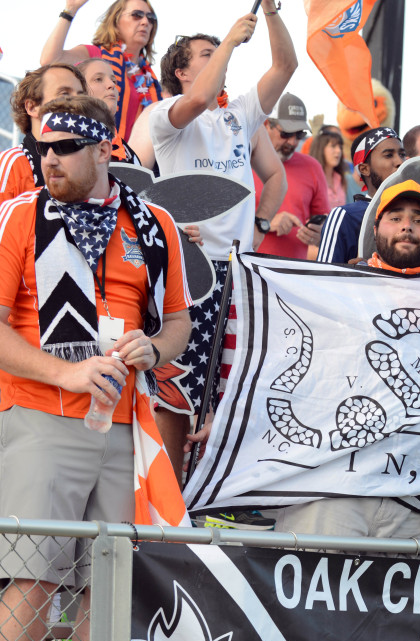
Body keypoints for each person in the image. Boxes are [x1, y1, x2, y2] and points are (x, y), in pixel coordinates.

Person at [0, 95, 191, 641]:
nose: (47, 159)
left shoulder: (154, 221)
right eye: (40, 148)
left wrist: (153, 347)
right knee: (31, 577)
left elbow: (179, 324)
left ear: (105, 147)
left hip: (125, 428)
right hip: (38, 417)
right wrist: (67, 372)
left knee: (104, 591)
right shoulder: (18, 217)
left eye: (63, 148)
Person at [149, 4, 295, 478]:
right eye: (206, 54)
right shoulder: (165, 117)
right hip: (190, 270)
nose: (219, 59)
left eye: (219, 52)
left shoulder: (240, 117)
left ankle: (209, 492)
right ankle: (167, 505)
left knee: (228, 391)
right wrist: (230, 41)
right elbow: (201, 95)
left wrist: (271, 12)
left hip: (239, 272)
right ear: (181, 70)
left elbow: (285, 66)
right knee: (178, 389)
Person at [269, 180, 420, 538]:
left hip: (411, 496)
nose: (407, 225)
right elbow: (281, 364)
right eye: (395, 217)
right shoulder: (333, 288)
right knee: (311, 591)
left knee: (403, 596)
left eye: (419, 219)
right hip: (330, 489)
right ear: (375, 230)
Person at [41, 0, 164, 141]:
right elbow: (50, 59)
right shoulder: (95, 55)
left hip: (134, 160)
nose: (145, 22)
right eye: (137, 15)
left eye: (151, 18)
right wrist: (70, 9)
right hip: (97, 147)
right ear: (115, 20)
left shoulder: (150, 79)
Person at [312, 127, 405, 264]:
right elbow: (323, 279)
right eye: (388, 155)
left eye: (402, 154)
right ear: (364, 169)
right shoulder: (345, 216)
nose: (400, 162)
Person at [256, 93, 329, 259]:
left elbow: (324, 217)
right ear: (266, 124)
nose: (293, 142)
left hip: (293, 274)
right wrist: (265, 221)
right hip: (247, 271)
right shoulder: (242, 162)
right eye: (286, 134)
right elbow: (222, 222)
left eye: (299, 134)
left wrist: (319, 233)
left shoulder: (312, 167)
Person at [0, 63, 86, 202]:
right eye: (64, 94)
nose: (78, 102)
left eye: (81, 96)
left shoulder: (88, 163)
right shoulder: (12, 165)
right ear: (32, 107)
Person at [77, 57, 139, 163]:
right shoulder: (70, 144)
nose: (112, 85)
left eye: (114, 80)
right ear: (79, 90)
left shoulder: (130, 154)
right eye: (98, 79)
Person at [308, 127, 361, 208]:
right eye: (333, 146)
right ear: (320, 148)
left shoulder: (341, 178)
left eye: (340, 147)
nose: (338, 150)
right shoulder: (310, 179)